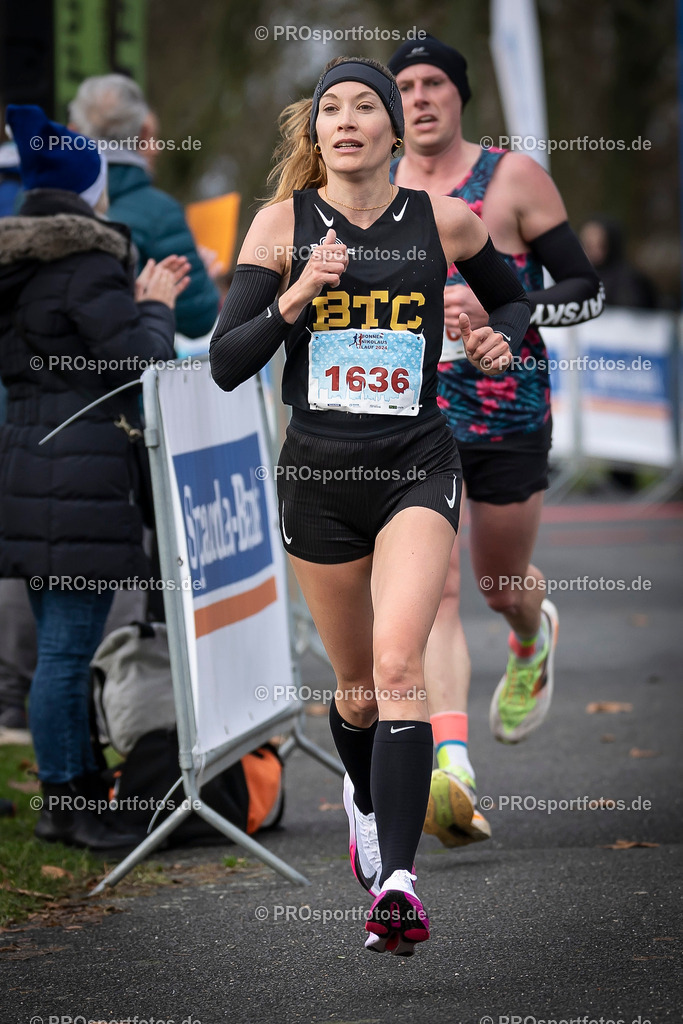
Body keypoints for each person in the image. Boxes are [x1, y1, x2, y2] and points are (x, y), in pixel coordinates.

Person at [210, 56, 531, 956]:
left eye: (366, 107)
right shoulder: (281, 224)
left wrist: (493, 341)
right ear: (314, 135)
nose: (346, 119)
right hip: (318, 477)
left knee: (400, 667)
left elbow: (515, 311)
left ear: (397, 132)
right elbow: (227, 360)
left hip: (415, 464)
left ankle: (397, 882)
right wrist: (301, 293)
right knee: (354, 692)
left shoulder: (446, 220)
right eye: (330, 110)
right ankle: (361, 792)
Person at [386, 36, 604, 848]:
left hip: (508, 408)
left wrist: (504, 314)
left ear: (459, 94)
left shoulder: (510, 180)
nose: (419, 98)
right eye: (403, 85)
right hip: (414, 416)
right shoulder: (380, 188)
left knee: (495, 582)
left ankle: (527, 631)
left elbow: (586, 290)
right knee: (431, 588)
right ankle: (452, 765)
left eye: (433, 82)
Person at [0, 105, 188, 849]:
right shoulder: (87, 264)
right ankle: (66, 803)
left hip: (28, 460)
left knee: (58, 646)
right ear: (89, 188)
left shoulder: (19, 264)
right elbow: (136, 366)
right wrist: (157, 309)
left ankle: (76, 791)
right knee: (67, 651)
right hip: (79, 472)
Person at [68, 74, 219, 339]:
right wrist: (200, 274)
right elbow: (199, 318)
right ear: (144, 133)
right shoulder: (160, 214)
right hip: (127, 375)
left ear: (73, 130)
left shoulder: (31, 198)